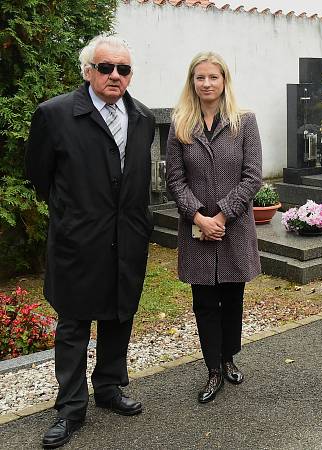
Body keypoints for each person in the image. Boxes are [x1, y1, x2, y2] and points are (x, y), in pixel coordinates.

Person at [25, 35, 155, 448]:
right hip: (78, 239)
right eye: (106, 68)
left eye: (123, 69)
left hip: (128, 236)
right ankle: (70, 407)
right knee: (74, 322)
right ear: (88, 71)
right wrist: (77, 215)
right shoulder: (56, 114)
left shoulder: (142, 118)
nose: (115, 75)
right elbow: (39, 176)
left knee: (119, 313)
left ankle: (110, 387)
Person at [166, 52, 262, 404]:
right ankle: (212, 369)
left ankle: (228, 356)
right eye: (200, 77)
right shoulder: (181, 125)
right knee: (204, 301)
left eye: (213, 77)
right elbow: (174, 179)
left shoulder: (244, 122)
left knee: (233, 298)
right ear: (192, 82)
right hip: (196, 230)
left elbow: (252, 176)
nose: (206, 84)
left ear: (224, 81)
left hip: (233, 228)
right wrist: (198, 217)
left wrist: (221, 215)